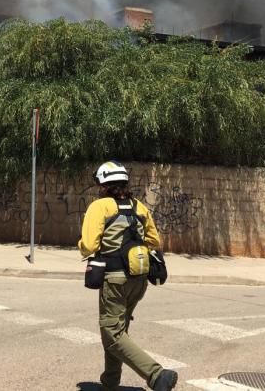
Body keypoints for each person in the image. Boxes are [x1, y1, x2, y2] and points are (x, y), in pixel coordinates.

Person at [78, 160, 178, 391]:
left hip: (114, 278)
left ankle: (156, 375)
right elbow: (154, 241)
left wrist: (82, 246)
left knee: (112, 333)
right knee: (117, 329)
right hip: (139, 279)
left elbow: (90, 244)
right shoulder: (139, 207)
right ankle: (110, 382)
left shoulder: (99, 207)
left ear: (102, 184)